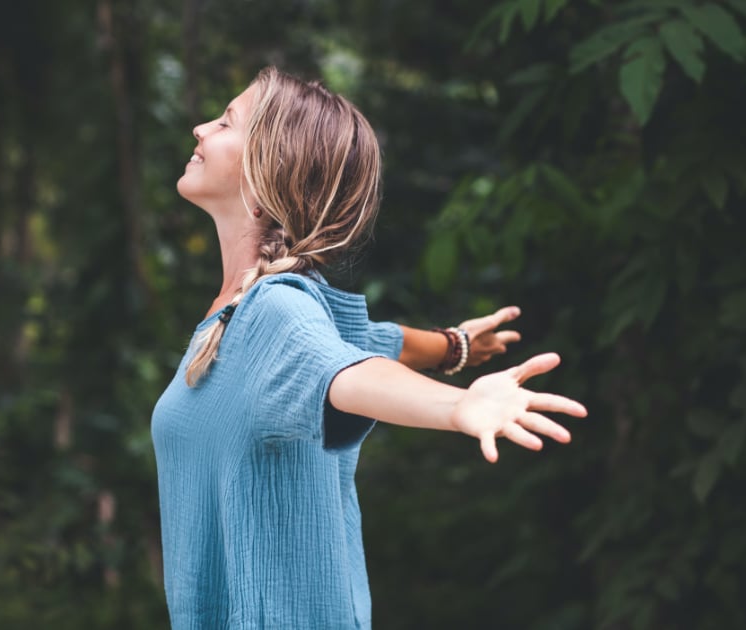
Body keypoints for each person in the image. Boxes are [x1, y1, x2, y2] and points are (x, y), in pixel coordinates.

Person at [151, 66, 588, 630]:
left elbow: (352, 373)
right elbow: (368, 341)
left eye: (225, 121)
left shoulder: (275, 312)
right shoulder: (242, 313)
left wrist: (455, 408)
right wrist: (452, 347)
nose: (199, 129)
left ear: (265, 176)